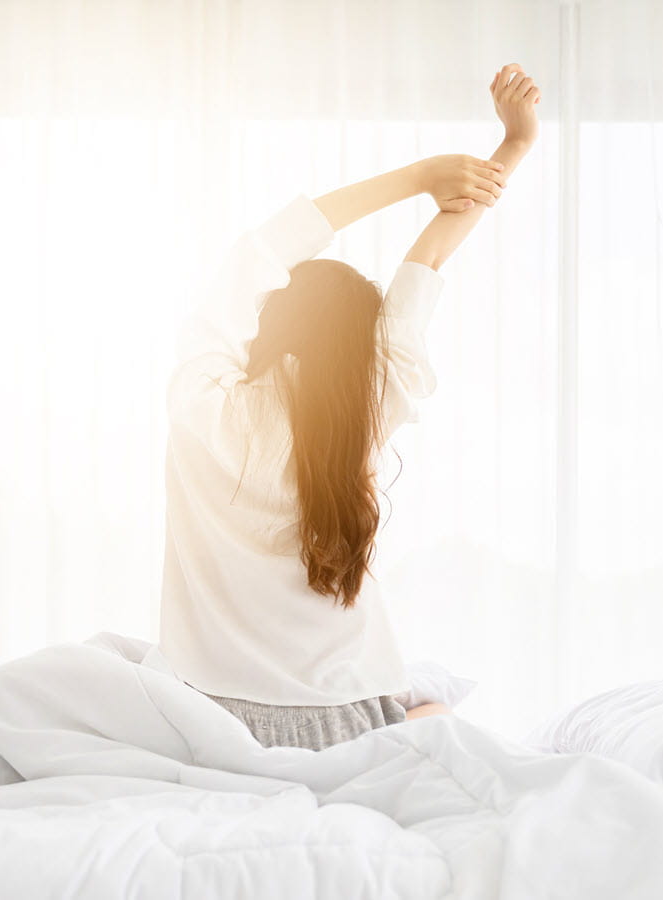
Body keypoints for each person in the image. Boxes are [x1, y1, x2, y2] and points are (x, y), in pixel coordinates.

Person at [158, 65, 542, 750]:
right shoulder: (368, 413)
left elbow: (259, 252)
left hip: (207, 726)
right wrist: (515, 144)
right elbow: (428, 261)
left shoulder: (201, 404)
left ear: (268, 322)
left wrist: (419, 174)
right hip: (350, 724)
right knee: (432, 708)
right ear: (359, 354)